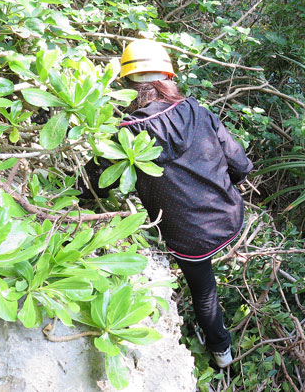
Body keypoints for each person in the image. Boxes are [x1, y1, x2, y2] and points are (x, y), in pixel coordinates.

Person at [80, 39, 253, 368]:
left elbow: (95, 184)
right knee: (205, 281)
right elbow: (241, 165)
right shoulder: (197, 111)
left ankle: (222, 354)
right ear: (168, 78)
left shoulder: (128, 134)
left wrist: (75, 196)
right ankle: (222, 351)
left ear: (129, 85)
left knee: (204, 292)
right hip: (231, 219)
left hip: (190, 238)